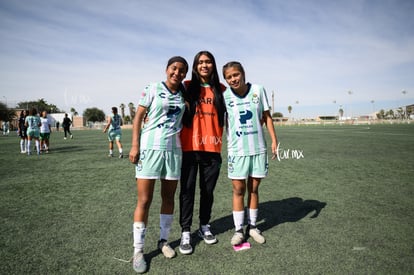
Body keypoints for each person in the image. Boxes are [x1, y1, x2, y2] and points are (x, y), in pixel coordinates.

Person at [129, 56, 188, 273]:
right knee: (144, 200)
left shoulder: (184, 93)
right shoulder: (153, 88)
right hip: (150, 150)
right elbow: (138, 118)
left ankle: (163, 241)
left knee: (168, 198)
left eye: (182, 71)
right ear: (167, 69)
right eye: (174, 68)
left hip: (174, 152)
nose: (177, 73)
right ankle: (138, 251)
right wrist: (135, 146)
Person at [222, 61, 278, 246]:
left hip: (258, 149)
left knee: (254, 189)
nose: (233, 79)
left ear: (243, 73)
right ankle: (239, 230)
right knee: (238, 190)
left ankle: (253, 227)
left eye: (235, 75)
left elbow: (267, 117)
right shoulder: (224, 96)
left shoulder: (258, 90)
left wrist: (274, 141)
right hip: (237, 151)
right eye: (229, 77)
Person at [178, 51, 226, 255]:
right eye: (200, 62)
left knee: (207, 192)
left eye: (208, 62)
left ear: (213, 65)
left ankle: (204, 226)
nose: (204, 65)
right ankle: (186, 231)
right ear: (195, 66)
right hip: (189, 148)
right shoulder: (186, 86)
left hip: (212, 148)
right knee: (187, 191)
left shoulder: (222, 89)